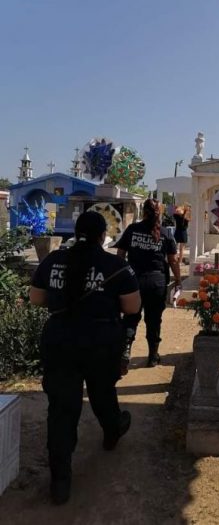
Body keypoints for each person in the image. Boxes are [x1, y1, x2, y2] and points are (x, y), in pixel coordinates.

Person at [29, 211, 141, 504]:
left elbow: (36, 298)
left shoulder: (52, 261)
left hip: (59, 341)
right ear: (103, 235)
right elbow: (131, 308)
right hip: (100, 343)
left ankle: (60, 482)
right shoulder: (116, 266)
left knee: (62, 409)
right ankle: (112, 430)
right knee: (102, 393)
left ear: (76, 232)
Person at [115, 199, 181, 366]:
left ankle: (126, 350)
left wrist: (120, 277)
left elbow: (120, 254)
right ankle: (153, 356)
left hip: (133, 282)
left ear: (143, 212)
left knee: (131, 317)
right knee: (153, 320)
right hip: (156, 283)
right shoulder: (166, 233)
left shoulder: (132, 230)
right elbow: (173, 261)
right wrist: (179, 279)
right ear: (160, 213)